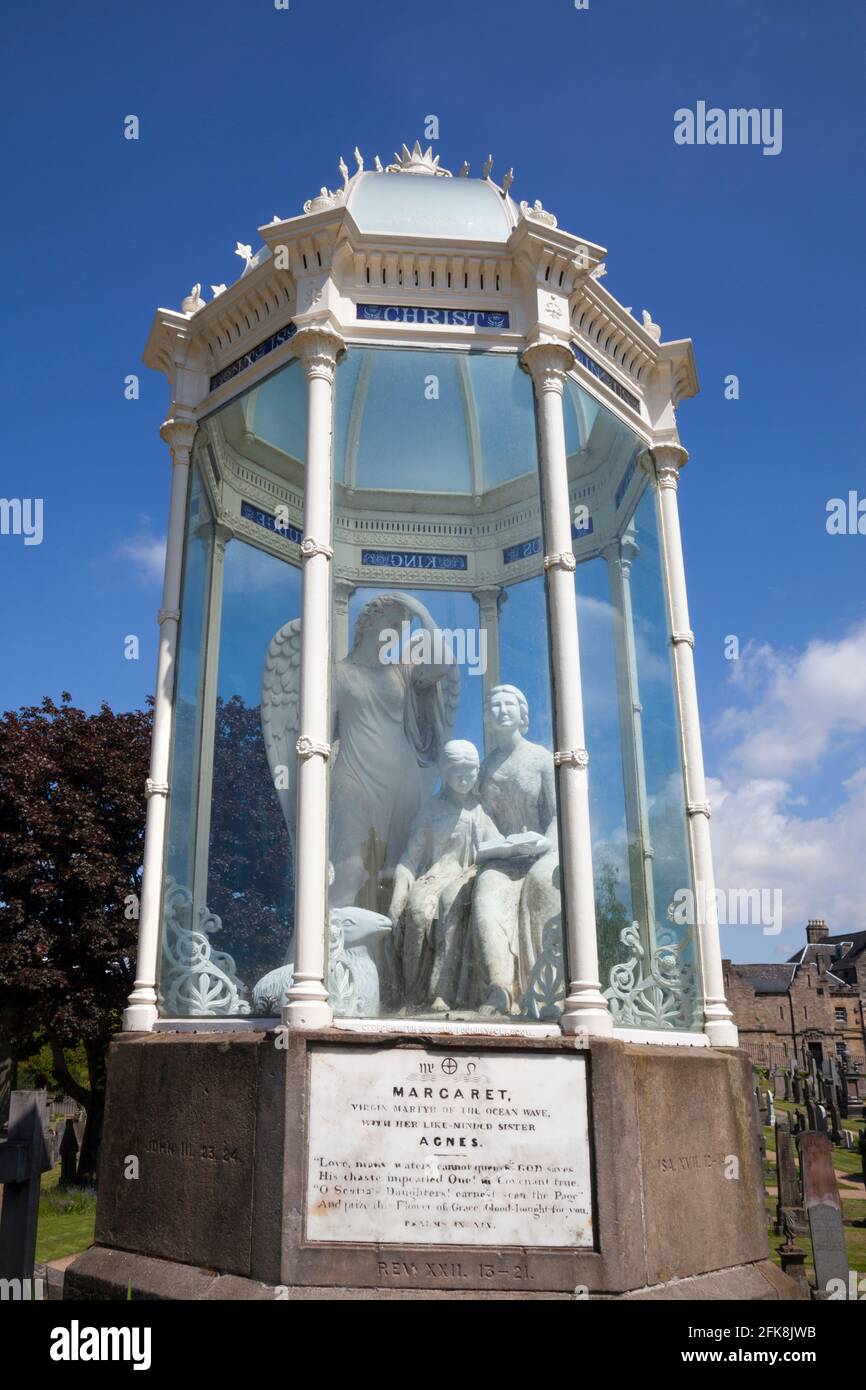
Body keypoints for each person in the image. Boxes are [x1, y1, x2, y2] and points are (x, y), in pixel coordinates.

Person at [460, 685, 556, 1015]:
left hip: (543, 850)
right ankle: (499, 988)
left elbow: (559, 816)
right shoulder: (486, 768)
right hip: (504, 857)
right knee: (486, 893)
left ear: (521, 713)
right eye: (494, 705)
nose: (501, 710)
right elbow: (481, 820)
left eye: (508, 704)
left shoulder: (541, 759)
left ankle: (545, 988)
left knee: (543, 884)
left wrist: (547, 844)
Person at [388, 741, 501, 1010]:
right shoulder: (430, 810)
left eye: (470, 771)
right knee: (416, 911)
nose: (464, 778)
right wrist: (397, 893)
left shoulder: (480, 809)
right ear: (444, 772)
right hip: (434, 877)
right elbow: (409, 860)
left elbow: (496, 846)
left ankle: (443, 992)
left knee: (451, 904)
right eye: (457, 771)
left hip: (469, 875)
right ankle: (413, 995)